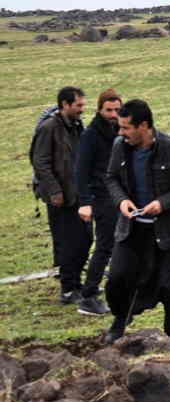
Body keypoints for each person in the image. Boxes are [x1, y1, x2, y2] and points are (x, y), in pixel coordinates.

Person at [103, 99, 170, 344]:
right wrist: (121, 201)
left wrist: (163, 203)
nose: (121, 133)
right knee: (117, 278)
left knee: (168, 286)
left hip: (166, 232)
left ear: (144, 125)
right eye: (120, 127)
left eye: (126, 127)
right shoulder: (120, 146)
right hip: (131, 229)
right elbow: (111, 178)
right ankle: (120, 320)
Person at [31, 86, 92, 304]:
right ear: (65, 105)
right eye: (78, 105)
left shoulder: (76, 126)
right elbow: (40, 162)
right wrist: (55, 191)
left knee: (85, 239)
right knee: (68, 243)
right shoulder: (49, 128)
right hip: (61, 198)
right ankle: (68, 288)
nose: (82, 110)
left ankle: (77, 283)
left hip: (79, 195)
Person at [74, 89, 122, 316]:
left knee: (119, 243)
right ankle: (88, 296)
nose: (114, 114)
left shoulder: (118, 130)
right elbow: (80, 171)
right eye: (109, 110)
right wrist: (85, 202)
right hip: (101, 198)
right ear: (100, 110)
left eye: (117, 110)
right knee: (105, 246)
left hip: (118, 196)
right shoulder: (91, 135)